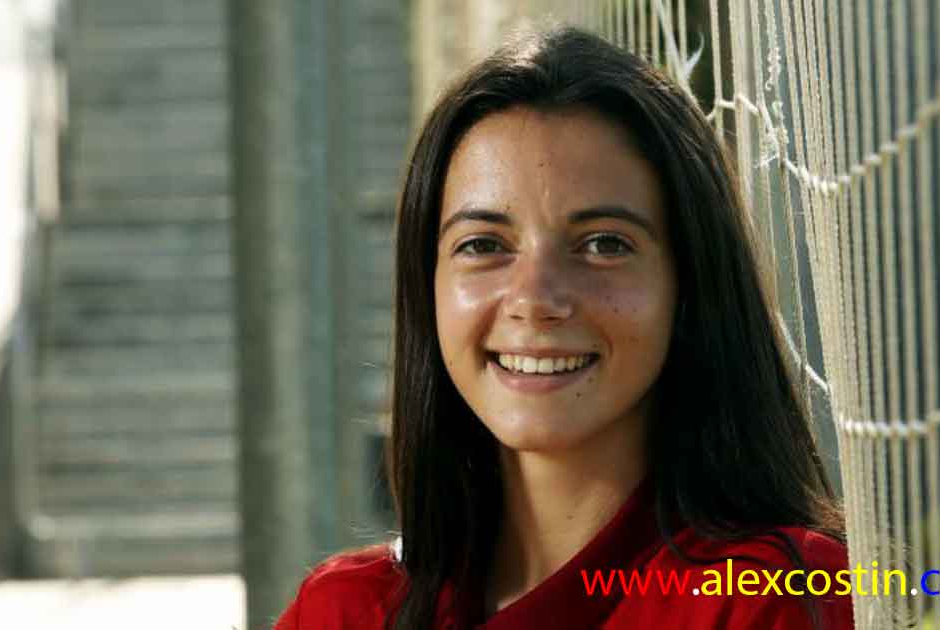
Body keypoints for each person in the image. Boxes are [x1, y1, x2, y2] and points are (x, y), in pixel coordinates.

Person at [276, 26, 852, 630]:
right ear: (428, 287)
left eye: (604, 244)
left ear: (690, 283)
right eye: (483, 245)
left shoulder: (777, 594)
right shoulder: (344, 610)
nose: (535, 300)